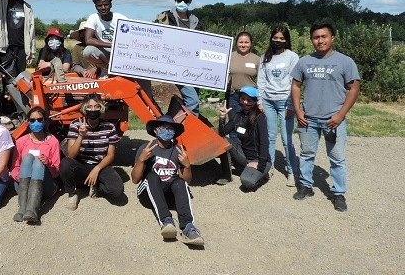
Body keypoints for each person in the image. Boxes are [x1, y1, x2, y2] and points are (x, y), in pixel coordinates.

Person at [291, 23, 360, 212]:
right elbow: (296, 86)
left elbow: (354, 89)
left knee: (337, 158)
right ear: (311, 39)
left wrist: (340, 115)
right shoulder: (304, 61)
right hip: (309, 119)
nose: (320, 40)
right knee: (306, 154)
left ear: (332, 38)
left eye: (324, 36)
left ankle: (338, 193)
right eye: (316, 37)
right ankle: (306, 185)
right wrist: (298, 110)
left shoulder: (345, 61)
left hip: (333, 119)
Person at [131, 115, 205, 246]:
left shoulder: (178, 150)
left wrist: (187, 165)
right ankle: (166, 221)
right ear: (155, 130)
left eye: (170, 128)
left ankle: (188, 227)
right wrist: (142, 160)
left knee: (179, 181)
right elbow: (135, 180)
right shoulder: (147, 148)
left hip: (170, 196)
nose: (167, 131)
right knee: (151, 176)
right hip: (149, 195)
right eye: (163, 127)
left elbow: (187, 181)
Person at [59, 93, 124, 210]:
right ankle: (72, 194)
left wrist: (96, 169)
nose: (93, 110)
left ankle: (95, 185)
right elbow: (71, 155)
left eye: (96, 106)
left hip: (101, 165)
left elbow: (110, 155)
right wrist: (80, 136)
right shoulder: (75, 124)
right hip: (81, 165)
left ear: (101, 108)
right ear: (84, 108)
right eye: (89, 107)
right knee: (65, 163)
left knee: (116, 191)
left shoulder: (109, 127)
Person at [257, 26, 299, 186]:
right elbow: (261, 81)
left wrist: (291, 105)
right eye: (276, 38)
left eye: (282, 39)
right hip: (268, 101)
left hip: (285, 103)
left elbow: (295, 82)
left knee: (287, 139)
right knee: (270, 137)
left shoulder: (293, 57)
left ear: (286, 40)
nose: (278, 41)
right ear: (271, 38)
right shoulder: (265, 57)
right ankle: (269, 167)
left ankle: (291, 171)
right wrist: (260, 101)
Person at [154, 0, 203, 116]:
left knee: (192, 99)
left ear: (190, 2)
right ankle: (191, 132)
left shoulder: (196, 21)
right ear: (175, 0)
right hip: (175, 67)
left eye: (185, 0)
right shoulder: (165, 17)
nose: (182, 2)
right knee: (193, 100)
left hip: (193, 67)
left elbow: (203, 43)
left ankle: (183, 127)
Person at [10, 106, 61, 222]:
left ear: (45, 121)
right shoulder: (21, 142)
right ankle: (22, 208)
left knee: (38, 162)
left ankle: (32, 209)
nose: (36, 122)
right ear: (28, 122)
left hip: (45, 186)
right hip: (23, 185)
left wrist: (47, 163)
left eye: (39, 119)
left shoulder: (53, 142)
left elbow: (57, 172)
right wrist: (22, 175)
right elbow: (14, 167)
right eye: (32, 120)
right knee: (27, 158)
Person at [219, 86, 271, 190]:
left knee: (247, 182)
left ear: (255, 102)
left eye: (249, 100)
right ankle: (227, 174)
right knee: (222, 141)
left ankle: (262, 173)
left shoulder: (260, 117)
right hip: (244, 156)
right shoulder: (238, 116)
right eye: (243, 99)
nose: (245, 102)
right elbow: (222, 133)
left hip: (259, 159)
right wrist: (222, 118)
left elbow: (265, 143)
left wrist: (260, 165)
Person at [83, 0, 127, 78]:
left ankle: (118, 71)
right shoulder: (93, 18)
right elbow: (88, 39)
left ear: (111, 5)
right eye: (100, 5)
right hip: (107, 52)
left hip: (121, 53)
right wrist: (111, 45)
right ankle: (106, 69)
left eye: (106, 5)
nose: (103, 7)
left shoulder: (120, 18)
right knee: (88, 51)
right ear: (96, 7)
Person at [227, 31, 260, 113]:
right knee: (234, 122)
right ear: (236, 43)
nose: (243, 45)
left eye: (246, 42)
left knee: (249, 123)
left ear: (251, 44)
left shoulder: (257, 59)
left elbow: (262, 80)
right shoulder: (229, 57)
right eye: (240, 42)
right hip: (233, 96)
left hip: (250, 98)